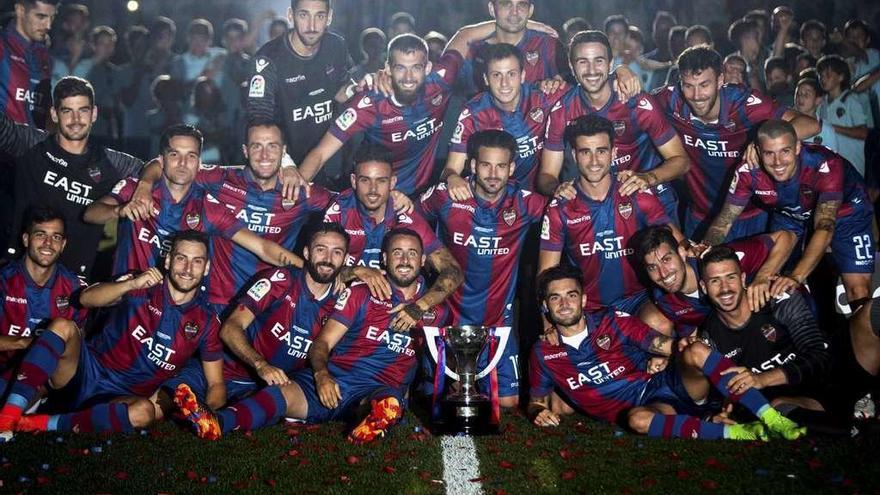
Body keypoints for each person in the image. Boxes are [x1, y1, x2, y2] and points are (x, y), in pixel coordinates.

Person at [175, 228, 449, 444]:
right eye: (397, 253)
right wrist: (321, 374)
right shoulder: (359, 293)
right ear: (384, 259)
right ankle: (218, 423)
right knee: (281, 393)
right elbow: (323, 343)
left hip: (378, 389)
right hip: (329, 379)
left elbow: (435, 361)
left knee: (386, 403)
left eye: (411, 254)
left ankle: (374, 420)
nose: (404, 260)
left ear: (423, 260)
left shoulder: (437, 310)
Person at [527, 264, 806, 441]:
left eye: (571, 295)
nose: (564, 304)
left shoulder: (612, 321)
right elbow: (536, 401)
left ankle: (772, 418)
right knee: (638, 421)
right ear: (545, 306)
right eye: (555, 297)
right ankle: (738, 432)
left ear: (583, 299)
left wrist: (670, 352)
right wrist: (537, 412)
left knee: (694, 350)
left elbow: (665, 344)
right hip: (649, 408)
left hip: (664, 384)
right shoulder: (543, 353)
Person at [0, 231, 224, 442]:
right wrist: (130, 284)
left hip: (118, 399)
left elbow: (216, 384)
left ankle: (38, 423)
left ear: (206, 268)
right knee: (62, 326)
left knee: (143, 413)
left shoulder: (206, 321)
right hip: (83, 374)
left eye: (197, 261)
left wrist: (209, 412)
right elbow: (85, 299)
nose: (187, 268)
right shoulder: (141, 284)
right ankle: (7, 418)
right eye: (181, 258)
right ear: (167, 261)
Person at [420, 130, 547, 406]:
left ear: (512, 168)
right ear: (473, 165)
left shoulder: (524, 203)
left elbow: (563, 211)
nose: (493, 173)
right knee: (438, 396)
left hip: (498, 319)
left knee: (509, 403)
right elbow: (408, 217)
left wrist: (565, 189)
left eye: (501, 166)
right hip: (449, 314)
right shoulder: (447, 196)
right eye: (486, 165)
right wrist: (430, 254)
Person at [83, 124, 301, 285]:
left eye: (191, 156)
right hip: (124, 302)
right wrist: (119, 210)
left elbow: (263, 247)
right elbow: (90, 214)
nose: (183, 163)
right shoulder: (137, 190)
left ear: (200, 162)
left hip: (176, 313)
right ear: (162, 159)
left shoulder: (208, 207)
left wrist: (309, 269)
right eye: (175, 154)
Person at [164, 224, 348, 407]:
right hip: (220, 369)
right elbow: (229, 328)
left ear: (346, 259)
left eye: (337, 252)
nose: (328, 259)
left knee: (224, 418)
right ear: (307, 253)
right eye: (321, 250)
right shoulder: (279, 281)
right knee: (165, 403)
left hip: (266, 388)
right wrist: (261, 365)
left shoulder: (344, 301)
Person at [653, 46, 819, 242]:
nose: (696, 95)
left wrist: (761, 143)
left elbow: (810, 125)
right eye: (688, 85)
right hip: (699, 216)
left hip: (750, 215)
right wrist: (621, 71)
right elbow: (634, 103)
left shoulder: (744, 103)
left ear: (721, 80)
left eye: (704, 84)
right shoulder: (671, 100)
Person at [703, 119, 874, 309]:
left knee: (858, 291)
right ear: (758, 152)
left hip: (845, 211)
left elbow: (825, 225)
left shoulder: (824, 163)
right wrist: (704, 253)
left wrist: (796, 276)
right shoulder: (747, 170)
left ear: (798, 148)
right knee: (773, 284)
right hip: (790, 214)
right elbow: (724, 221)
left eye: (785, 151)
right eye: (769, 154)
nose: (777, 162)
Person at [700, 245, 879, 425]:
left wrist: (762, 379)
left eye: (731, 277)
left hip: (833, 375)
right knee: (779, 410)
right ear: (704, 287)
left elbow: (818, 355)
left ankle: (865, 401)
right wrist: (721, 413)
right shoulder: (710, 335)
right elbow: (723, 392)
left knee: (873, 311)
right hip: (796, 401)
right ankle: (849, 426)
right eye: (715, 281)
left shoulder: (776, 297)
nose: (725, 288)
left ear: (743, 278)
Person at [538, 115, 684, 317]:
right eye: (585, 152)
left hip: (638, 301)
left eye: (601, 151)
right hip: (588, 309)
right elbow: (546, 275)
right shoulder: (559, 208)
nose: (594, 161)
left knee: (661, 325)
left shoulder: (636, 193)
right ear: (574, 154)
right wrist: (547, 327)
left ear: (614, 153)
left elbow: (681, 247)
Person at [295, 32, 474, 196]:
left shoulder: (440, 80)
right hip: (376, 195)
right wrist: (291, 194)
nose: (409, 77)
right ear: (388, 68)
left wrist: (501, 17)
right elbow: (320, 154)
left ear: (427, 68)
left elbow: (465, 34)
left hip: (421, 194)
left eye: (416, 68)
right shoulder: (371, 102)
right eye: (401, 68)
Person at [538, 30, 689, 223]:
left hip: (651, 198)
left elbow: (681, 161)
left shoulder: (636, 102)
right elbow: (547, 175)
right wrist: (556, 188)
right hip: (600, 206)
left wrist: (647, 178)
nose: (591, 70)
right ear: (571, 65)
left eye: (599, 61)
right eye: (582, 61)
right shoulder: (562, 111)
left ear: (611, 64)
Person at [0, 76, 143, 279]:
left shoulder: (112, 163)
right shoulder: (30, 144)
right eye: (67, 111)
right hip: (18, 276)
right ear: (54, 114)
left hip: (74, 285)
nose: (76, 120)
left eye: (83, 110)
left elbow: (158, 171)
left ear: (93, 114)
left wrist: (144, 184)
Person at [324, 144, 462, 331]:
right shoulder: (339, 211)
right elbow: (318, 271)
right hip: (339, 309)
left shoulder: (406, 216)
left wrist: (419, 306)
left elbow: (453, 271)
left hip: (392, 311)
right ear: (354, 181)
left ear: (392, 182)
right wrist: (358, 271)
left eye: (381, 181)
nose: (373, 190)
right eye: (365, 180)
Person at [245, 0, 356, 185]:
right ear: (291, 15)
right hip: (284, 170)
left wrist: (363, 86)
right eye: (304, 15)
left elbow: (340, 91)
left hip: (328, 164)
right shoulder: (268, 59)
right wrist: (286, 164)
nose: (312, 26)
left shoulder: (336, 45)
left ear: (329, 17)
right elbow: (259, 122)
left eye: (319, 16)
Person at [444, 43, 567, 196]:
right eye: (496, 75)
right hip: (494, 203)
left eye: (511, 74)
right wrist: (452, 178)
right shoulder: (473, 113)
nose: (504, 83)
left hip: (540, 199)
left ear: (522, 75)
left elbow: (585, 93)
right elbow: (450, 169)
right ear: (486, 79)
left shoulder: (544, 98)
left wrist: (559, 81)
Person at [634, 225, 796, 337]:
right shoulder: (663, 299)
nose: (663, 273)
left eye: (667, 259)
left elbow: (786, 236)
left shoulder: (718, 262)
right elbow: (688, 327)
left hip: (775, 319)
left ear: (682, 253)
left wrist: (763, 277)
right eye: (652, 267)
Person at [0, 208, 87, 394]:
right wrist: (25, 343)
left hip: (42, 381)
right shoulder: (4, 280)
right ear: (25, 239)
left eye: (56, 237)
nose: (48, 243)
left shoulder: (74, 288)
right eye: (40, 235)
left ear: (63, 244)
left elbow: (76, 350)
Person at [456, 0, 570, 97]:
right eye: (506, 3)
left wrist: (556, 85)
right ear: (492, 8)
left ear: (530, 11)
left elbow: (571, 90)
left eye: (522, 4)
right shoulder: (474, 52)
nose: (514, 12)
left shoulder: (548, 44)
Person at [1, 0, 56, 128]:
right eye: (41, 16)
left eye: (52, 18)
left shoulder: (45, 57)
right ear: (20, 10)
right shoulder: (2, 46)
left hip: (34, 144)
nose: (48, 25)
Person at [816, 55, 868, 177]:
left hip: (852, 166)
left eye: (828, 75)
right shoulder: (821, 105)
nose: (823, 79)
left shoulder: (851, 100)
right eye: (821, 75)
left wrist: (831, 128)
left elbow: (863, 133)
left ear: (841, 77)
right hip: (831, 168)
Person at [794, 77, 840, 151]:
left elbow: (833, 159)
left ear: (818, 100)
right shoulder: (787, 124)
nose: (800, 97)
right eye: (798, 94)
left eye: (806, 94)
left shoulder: (826, 130)